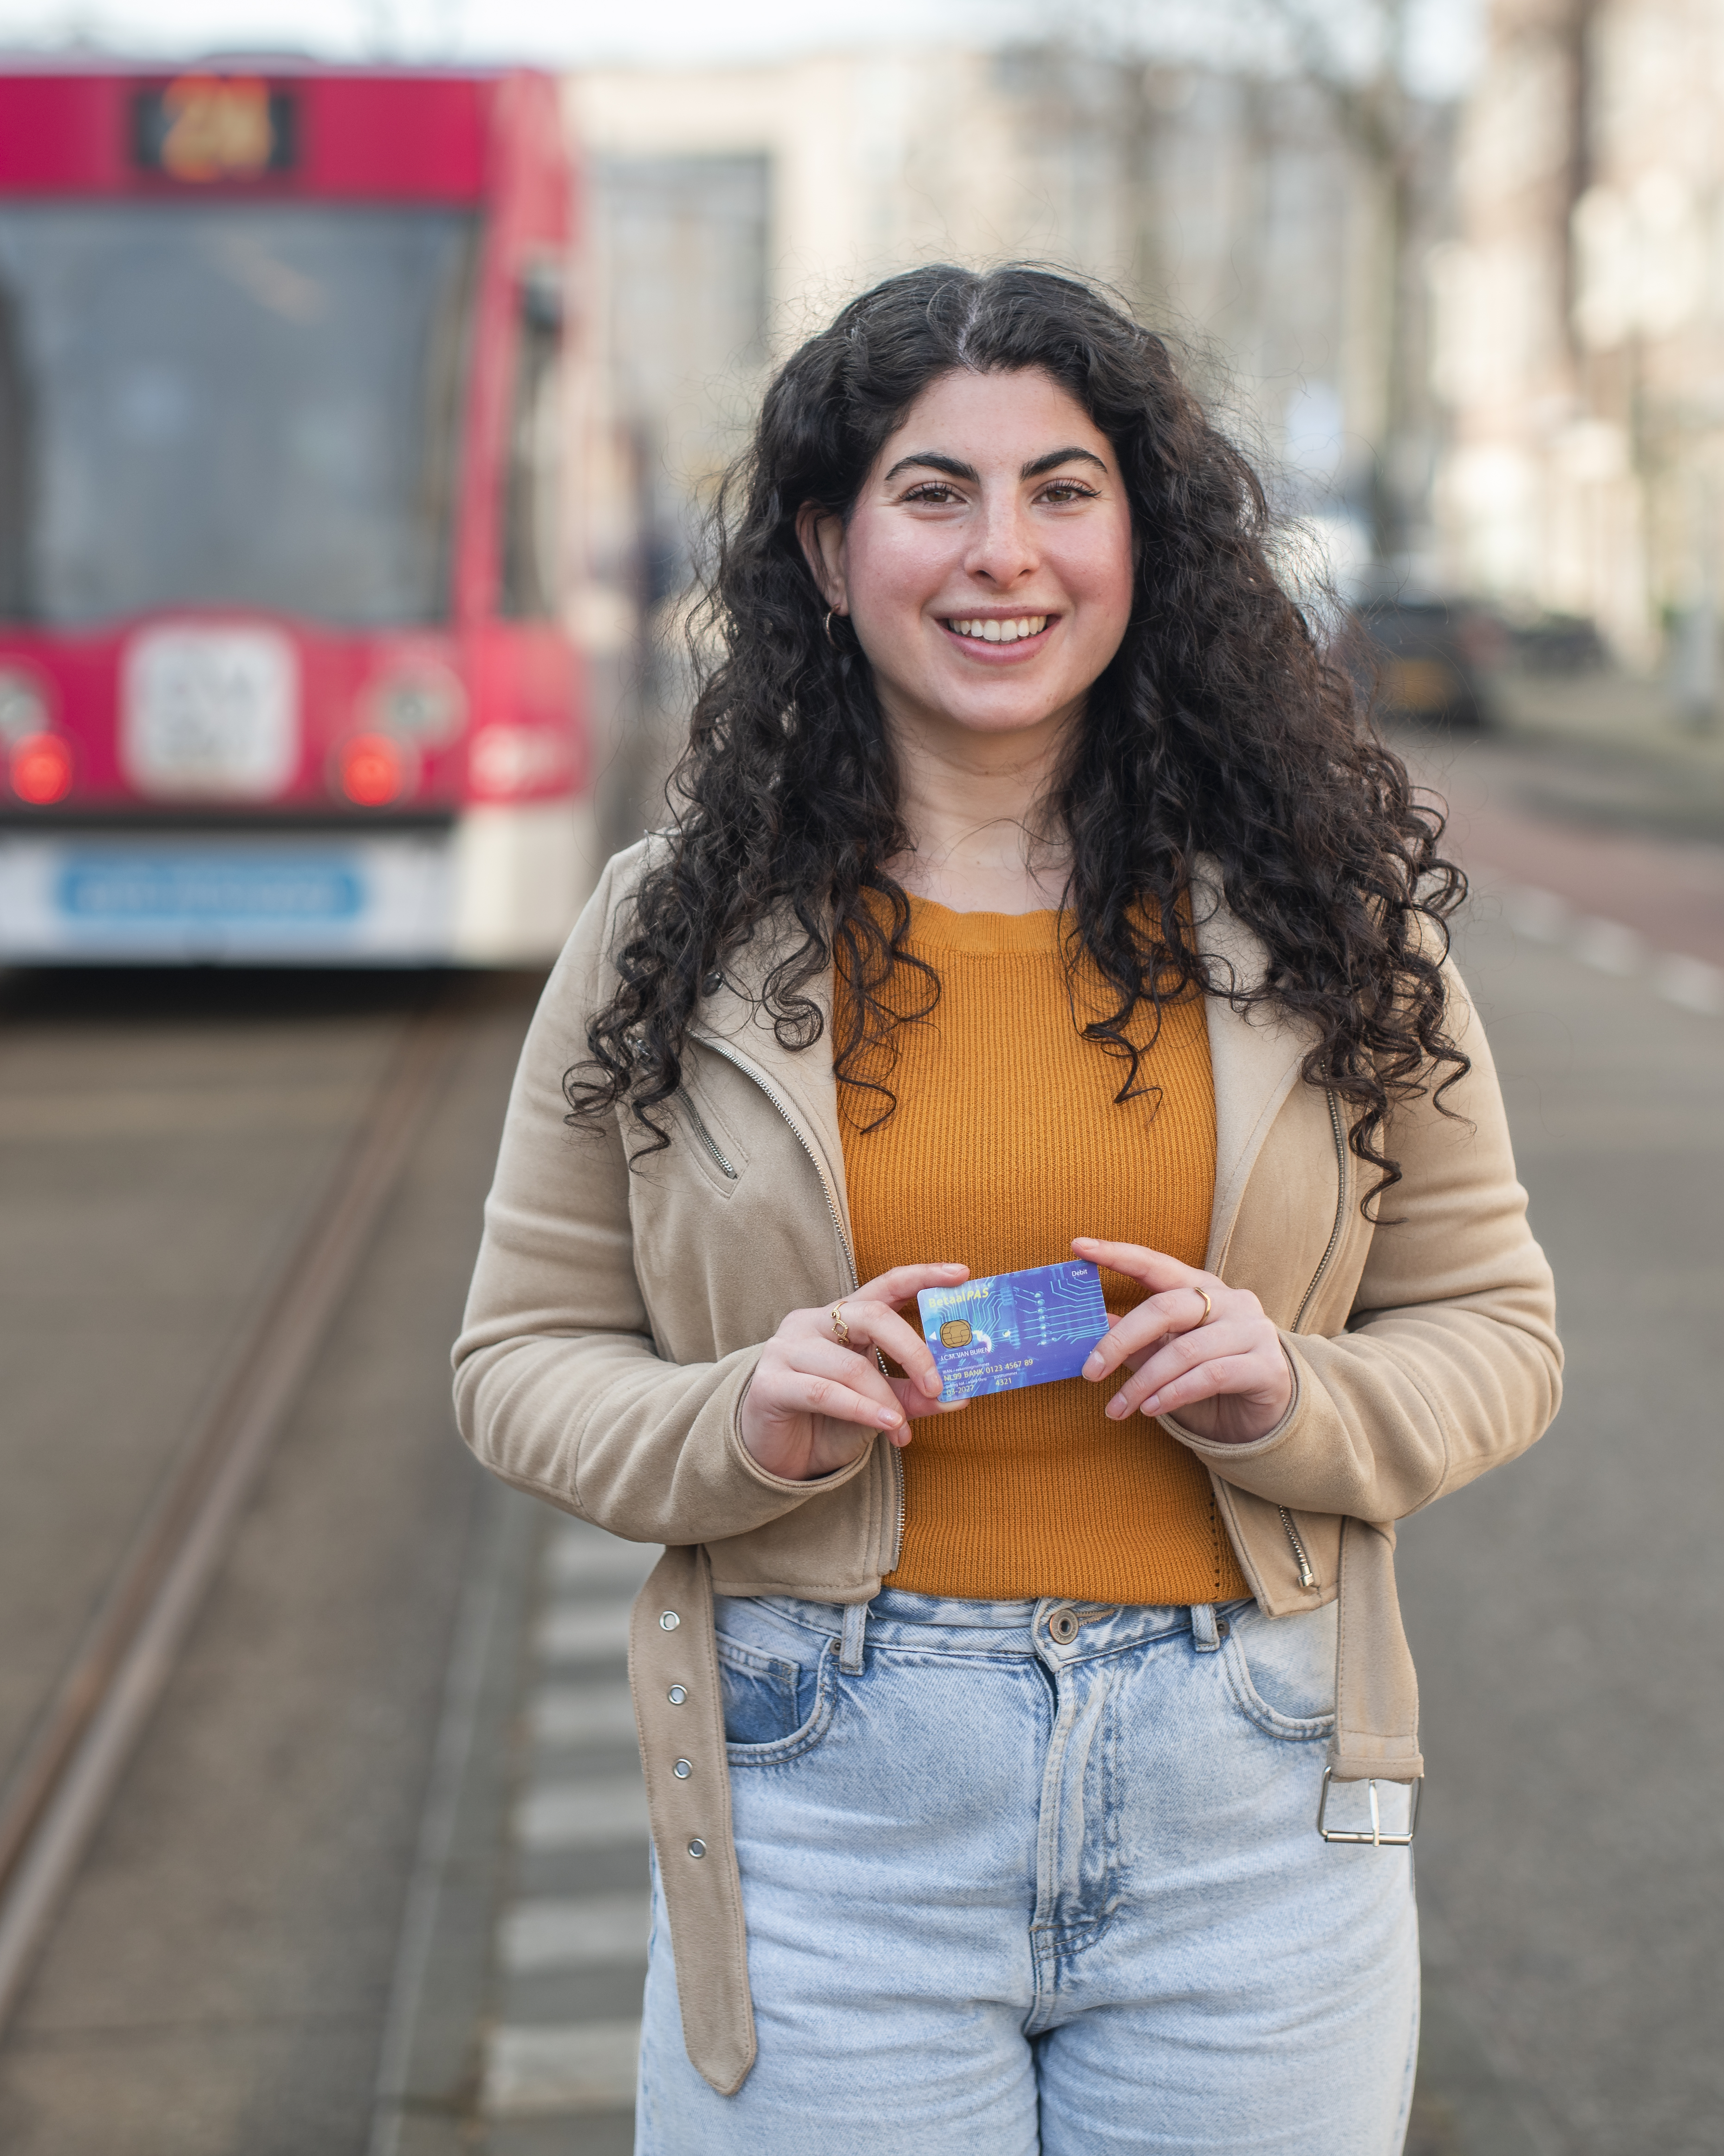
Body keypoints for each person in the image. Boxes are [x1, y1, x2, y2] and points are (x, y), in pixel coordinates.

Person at [453, 264, 1563, 2152]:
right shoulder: (665, 930)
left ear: (1142, 541)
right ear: (829, 549)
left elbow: (1499, 1330)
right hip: (825, 1802)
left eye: (1062, 489)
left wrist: (1299, 1398)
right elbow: (517, 1358)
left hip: (1258, 1800)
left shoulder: (1329, 924)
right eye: (933, 491)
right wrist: (736, 1423)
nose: (1004, 552)